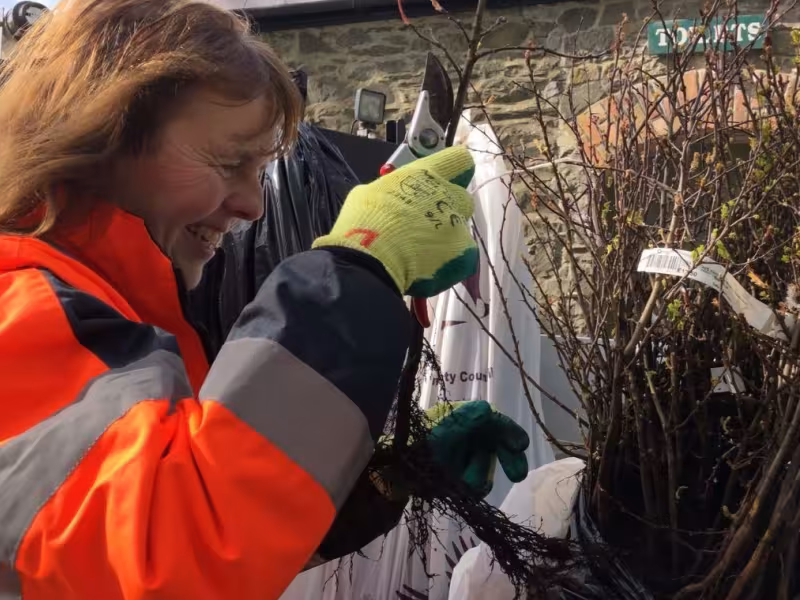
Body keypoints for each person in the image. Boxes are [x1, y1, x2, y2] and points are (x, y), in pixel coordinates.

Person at [0, 1, 531, 598]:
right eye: (229, 162)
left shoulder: (104, 319)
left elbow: (163, 548)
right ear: (99, 139)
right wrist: (357, 269)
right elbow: (170, 563)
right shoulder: (18, 306)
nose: (253, 206)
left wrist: (373, 478)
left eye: (257, 171)